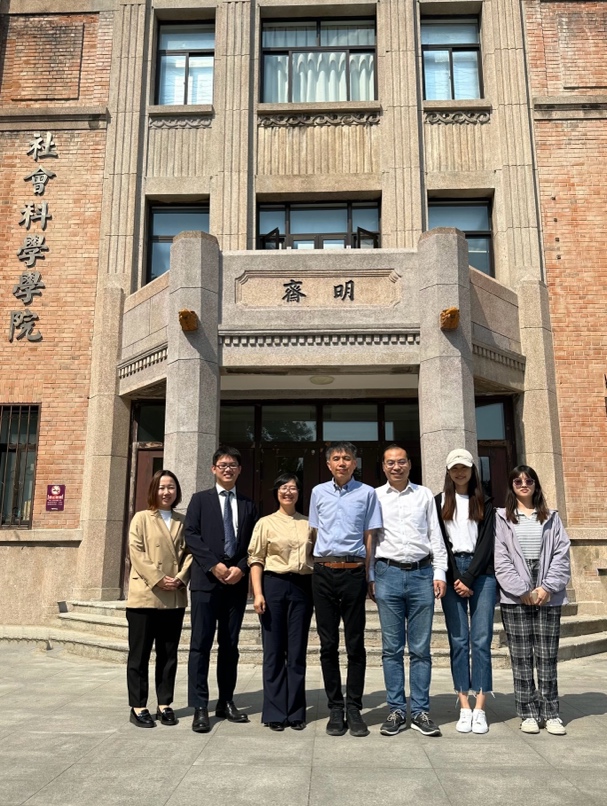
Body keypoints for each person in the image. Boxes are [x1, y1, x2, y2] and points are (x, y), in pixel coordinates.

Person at [370, 444, 447, 738]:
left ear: (410, 464)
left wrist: (439, 572)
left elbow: (435, 535)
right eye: (390, 462)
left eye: (401, 462)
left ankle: (420, 711)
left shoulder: (424, 495)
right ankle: (396, 710)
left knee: (420, 649)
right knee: (391, 649)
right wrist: (370, 576)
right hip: (387, 574)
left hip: (421, 574)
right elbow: (370, 538)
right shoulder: (375, 496)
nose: (396, 467)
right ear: (383, 466)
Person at [309, 441, 382, 738]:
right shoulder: (318, 492)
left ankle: (354, 707)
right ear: (329, 464)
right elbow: (315, 532)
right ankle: (335, 707)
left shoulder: (367, 493)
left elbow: (369, 537)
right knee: (327, 645)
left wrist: (369, 575)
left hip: (353, 572)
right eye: (337, 458)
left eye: (347, 458)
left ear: (355, 463)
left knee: (355, 644)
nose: (342, 463)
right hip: (324, 572)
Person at [185, 446, 258, 733]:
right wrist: (213, 565)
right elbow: (191, 534)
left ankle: (226, 701)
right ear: (214, 469)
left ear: (240, 470)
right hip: (206, 583)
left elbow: (252, 542)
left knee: (230, 645)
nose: (228, 469)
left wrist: (241, 567)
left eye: (233, 465)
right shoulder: (199, 500)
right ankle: (200, 706)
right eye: (223, 465)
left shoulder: (249, 504)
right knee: (200, 645)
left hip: (235, 585)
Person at [494, 465, 571, 735]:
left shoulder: (551, 517)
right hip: (515, 595)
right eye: (518, 481)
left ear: (536, 485)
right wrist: (520, 590)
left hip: (547, 592)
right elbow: (501, 558)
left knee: (547, 656)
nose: (523, 484)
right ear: (512, 486)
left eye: (528, 480)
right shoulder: (502, 518)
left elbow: (561, 553)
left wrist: (547, 587)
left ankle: (550, 712)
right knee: (521, 657)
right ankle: (527, 712)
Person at [435, 449, 496, 735]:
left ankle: (480, 707)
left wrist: (469, 576)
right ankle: (464, 705)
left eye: (465, 468)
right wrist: (455, 576)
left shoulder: (486, 501)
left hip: (482, 573)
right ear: (448, 472)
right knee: (458, 640)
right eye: (455, 468)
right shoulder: (438, 502)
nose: (460, 473)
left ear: (473, 470)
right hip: (451, 571)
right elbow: (439, 542)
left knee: (481, 640)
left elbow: (486, 543)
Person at [126, 469, 192, 728]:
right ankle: (138, 706)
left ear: (177, 491)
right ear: (154, 490)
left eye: (171, 487)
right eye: (162, 487)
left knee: (168, 654)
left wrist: (181, 578)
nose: (166, 492)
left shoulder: (183, 520)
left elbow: (190, 553)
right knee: (139, 654)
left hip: (173, 596)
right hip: (145, 595)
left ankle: (164, 703)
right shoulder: (141, 518)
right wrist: (158, 578)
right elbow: (136, 552)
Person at [248, 473, 314, 731]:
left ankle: (296, 711)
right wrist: (258, 593)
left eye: (293, 488)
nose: (288, 492)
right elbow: (256, 559)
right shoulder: (265, 523)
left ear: (299, 492)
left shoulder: (309, 523)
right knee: (274, 651)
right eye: (283, 488)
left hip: (302, 587)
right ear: (276, 492)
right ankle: (275, 712)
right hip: (273, 585)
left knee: (296, 652)